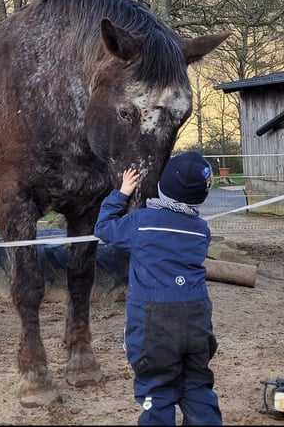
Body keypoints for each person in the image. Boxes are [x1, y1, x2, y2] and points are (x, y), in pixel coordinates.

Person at [94, 151, 222, 426]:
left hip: (154, 324)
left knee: (158, 390)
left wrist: (121, 194)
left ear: (163, 185)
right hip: (197, 320)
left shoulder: (141, 223)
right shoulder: (201, 230)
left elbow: (103, 229)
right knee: (198, 388)